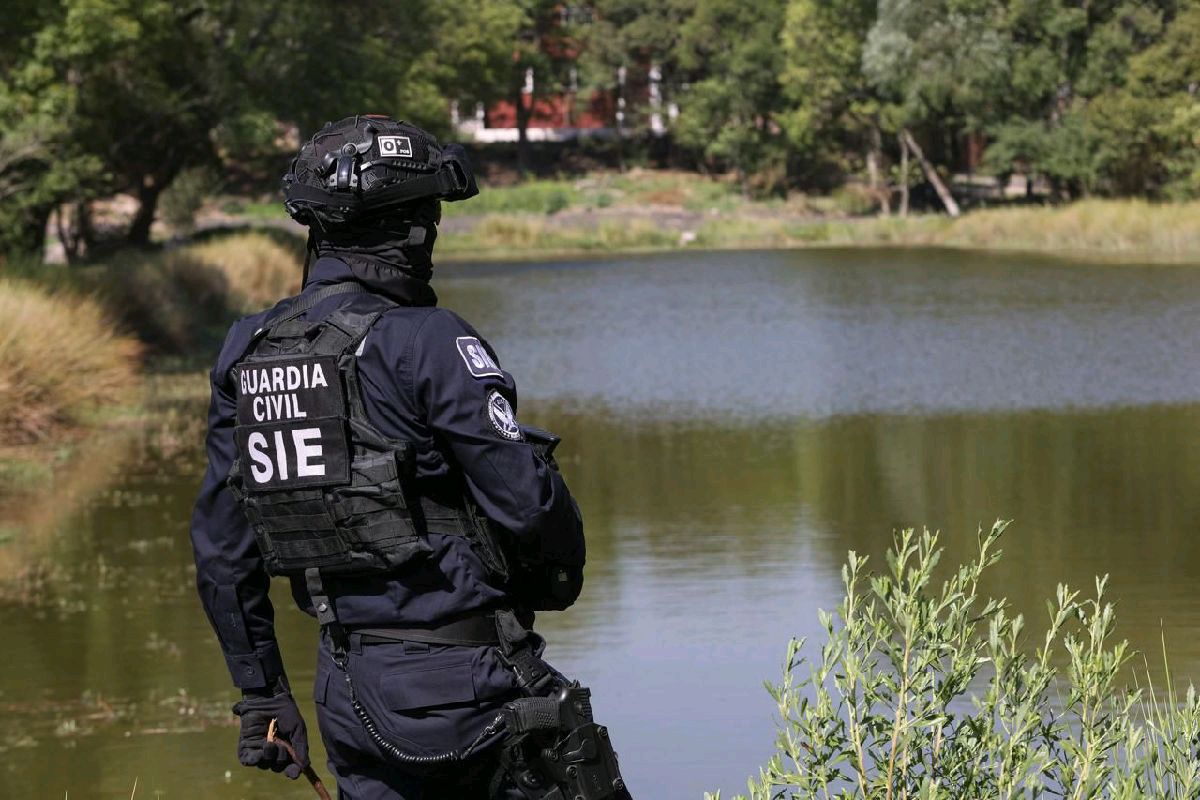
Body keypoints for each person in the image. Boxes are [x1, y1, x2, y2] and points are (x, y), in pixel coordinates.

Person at [190, 115, 630, 799]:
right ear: (410, 226)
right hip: (468, 687)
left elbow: (223, 552)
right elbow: (530, 507)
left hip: (347, 690)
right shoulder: (426, 339)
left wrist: (262, 695)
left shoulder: (249, 352)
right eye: (428, 214)